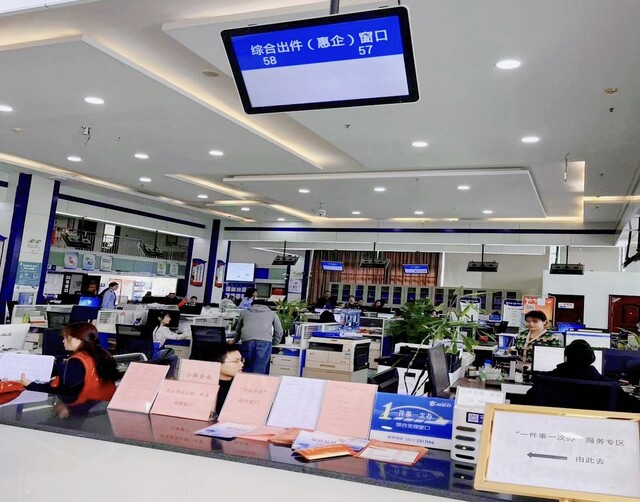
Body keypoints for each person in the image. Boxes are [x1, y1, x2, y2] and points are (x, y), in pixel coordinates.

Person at [525, 340, 640, 413]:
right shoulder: (608, 385)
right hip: (594, 433)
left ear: (565, 358)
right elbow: (633, 406)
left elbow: (528, 402)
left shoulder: (545, 379)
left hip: (552, 431)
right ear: (592, 360)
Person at [21, 323, 118, 404]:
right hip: (102, 407)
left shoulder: (77, 362)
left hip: (80, 410)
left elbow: (65, 393)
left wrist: (31, 385)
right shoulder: (103, 355)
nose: (63, 341)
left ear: (77, 339)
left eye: (67, 337)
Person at [234, 299, 283, 374]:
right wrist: (275, 342)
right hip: (265, 341)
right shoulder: (272, 314)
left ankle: (244, 381)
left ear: (252, 305)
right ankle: (257, 381)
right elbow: (279, 330)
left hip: (247, 340)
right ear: (266, 306)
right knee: (259, 367)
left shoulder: (244, 312)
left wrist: (235, 340)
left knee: (247, 365)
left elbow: (238, 329)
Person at [152, 311, 188, 378]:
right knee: (174, 357)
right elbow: (176, 337)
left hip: (155, 353)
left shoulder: (156, 328)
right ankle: (170, 376)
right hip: (159, 354)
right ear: (160, 318)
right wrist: (187, 334)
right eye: (167, 317)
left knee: (170, 352)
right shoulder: (163, 329)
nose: (170, 319)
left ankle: (168, 375)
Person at [211, 344, 244, 416]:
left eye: (241, 360)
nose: (241, 365)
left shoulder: (242, 387)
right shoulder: (208, 387)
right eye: (236, 361)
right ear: (218, 363)